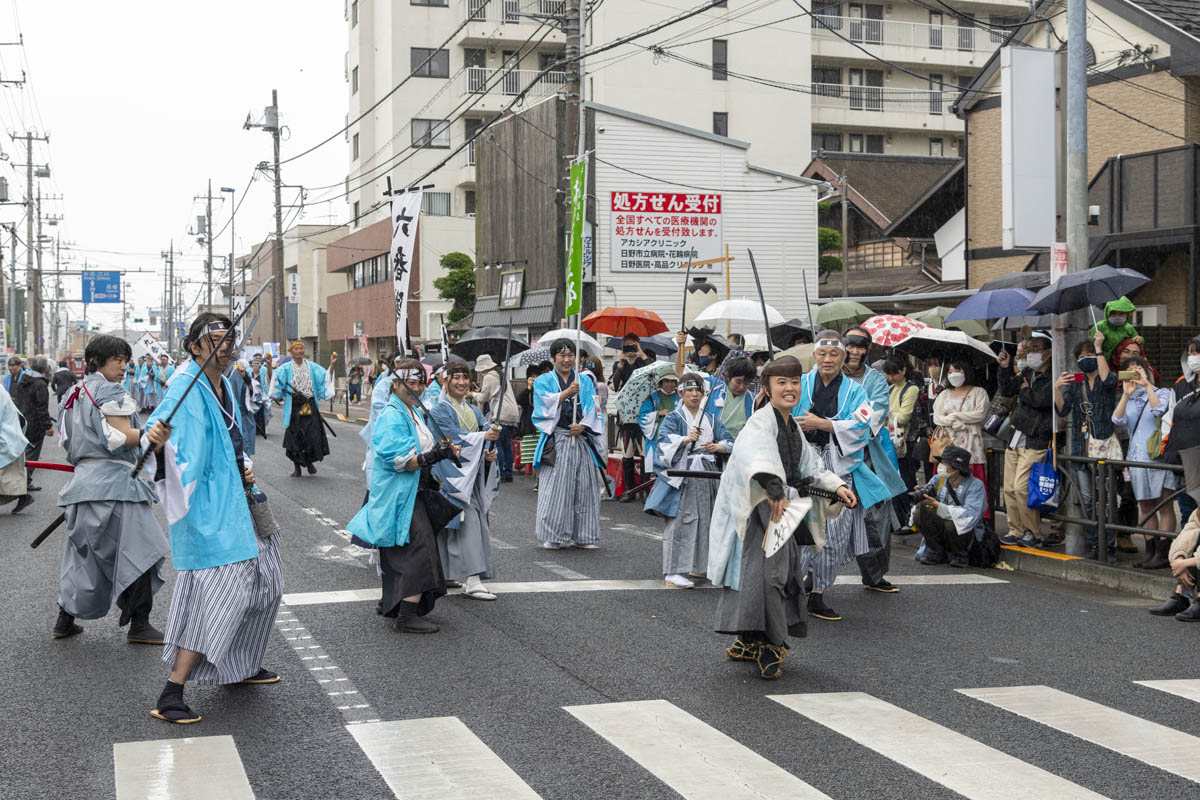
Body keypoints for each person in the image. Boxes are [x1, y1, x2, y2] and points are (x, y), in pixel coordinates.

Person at [146, 313, 283, 724]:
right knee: (219, 597)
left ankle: (238, 664)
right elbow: (164, 426)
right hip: (205, 506)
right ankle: (172, 691)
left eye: (229, 339)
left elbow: (231, 435)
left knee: (266, 581)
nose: (226, 346)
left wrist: (241, 462)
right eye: (216, 340)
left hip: (235, 496)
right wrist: (155, 442)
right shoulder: (186, 386)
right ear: (194, 346)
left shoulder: (228, 380)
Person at [709, 355, 856, 679]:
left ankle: (751, 637)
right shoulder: (760, 422)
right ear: (767, 387)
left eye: (794, 382)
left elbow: (810, 467)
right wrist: (774, 486)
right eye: (781, 382)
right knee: (765, 576)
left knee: (771, 575)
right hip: (762, 506)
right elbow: (754, 455)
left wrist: (837, 486)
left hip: (780, 508)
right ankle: (771, 643)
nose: (789, 388)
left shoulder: (791, 426)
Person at [53, 335, 170, 644]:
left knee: (83, 558)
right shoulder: (110, 390)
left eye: (125, 359)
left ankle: (64, 619)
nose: (123, 365)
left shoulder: (74, 394)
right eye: (116, 359)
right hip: (116, 486)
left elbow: (65, 442)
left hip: (82, 486)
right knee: (143, 551)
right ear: (96, 362)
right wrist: (150, 433)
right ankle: (140, 624)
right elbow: (118, 437)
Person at [346, 359, 458, 633]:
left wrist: (442, 451)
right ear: (395, 383)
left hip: (415, 491)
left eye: (421, 382)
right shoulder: (392, 415)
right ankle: (406, 615)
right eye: (411, 383)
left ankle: (392, 603)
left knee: (406, 548)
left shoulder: (413, 411)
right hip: (399, 493)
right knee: (419, 550)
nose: (417, 388)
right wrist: (435, 455)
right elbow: (400, 460)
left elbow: (421, 448)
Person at [794, 331, 897, 621]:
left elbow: (862, 426)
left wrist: (824, 424)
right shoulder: (800, 384)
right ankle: (794, 586)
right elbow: (782, 415)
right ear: (815, 356)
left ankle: (818, 593)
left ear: (844, 357)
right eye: (822, 354)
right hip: (804, 463)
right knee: (800, 528)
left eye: (834, 354)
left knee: (834, 532)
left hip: (838, 465)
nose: (828, 360)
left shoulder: (856, 391)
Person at [644, 373, 734, 588]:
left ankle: (700, 565)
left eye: (698, 391)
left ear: (704, 394)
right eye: (689, 391)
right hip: (684, 475)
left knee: (707, 518)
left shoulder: (711, 418)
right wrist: (685, 440)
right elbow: (664, 444)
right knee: (683, 521)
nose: (694, 394)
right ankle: (674, 570)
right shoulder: (674, 418)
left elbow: (730, 441)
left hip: (707, 474)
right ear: (680, 393)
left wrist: (718, 446)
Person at [839, 325, 907, 595]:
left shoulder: (875, 380)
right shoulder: (825, 375)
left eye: (861, 346)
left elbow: (876, 412)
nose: (854, 351)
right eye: (850, 344)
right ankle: (814, 578)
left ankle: (875, 575)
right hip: (829, 454)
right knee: (826, 518)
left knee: (875, 518)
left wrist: (843, 427)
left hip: (865, 455)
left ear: (868, 350)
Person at [429, 360, 501, 600]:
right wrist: (483, 436)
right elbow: (452, 437)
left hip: (470, 473)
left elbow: (483, 429)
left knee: (460, 524)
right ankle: (472, 578)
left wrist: (489, 446)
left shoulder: (471, 407)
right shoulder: (439, 410)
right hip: (451, 474)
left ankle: (449, 573)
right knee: (466, 523)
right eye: (455, 378)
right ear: (444, 381)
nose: (461, 383)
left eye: (465, 378)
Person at [532, 338, 605, 550]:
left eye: (570, 355)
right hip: (558, 439)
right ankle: (554, 535)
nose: (566, 359)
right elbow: (542, 407)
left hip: (580, 439)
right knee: (556, 489)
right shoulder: (543, 381)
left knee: (585, 488)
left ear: (576, 357)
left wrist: (583, 426)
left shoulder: (585, 380)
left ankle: (584, 535)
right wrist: (566, 393)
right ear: (553, 358)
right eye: (562, 355)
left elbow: (595, 408)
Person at [1054, 332, 1122, 562]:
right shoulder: (1076, 383)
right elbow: (1063, 410)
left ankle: (1109, 546)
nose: (1085, 358)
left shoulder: (1107, 379)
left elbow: (1109, 380)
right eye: (1081, 355)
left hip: (1103, 446)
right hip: (1081, 448)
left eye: (1089, 354)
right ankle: (1094, 544)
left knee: (1107, 498)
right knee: (1086, 498)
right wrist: (1057, 388)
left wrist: (1099, 347)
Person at [1113, 356, 1175, 570]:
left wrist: (1147, 385)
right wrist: (1126, 393)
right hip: (1137, 458)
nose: (1136, 374)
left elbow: (1160, 410)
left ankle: (1164, 552)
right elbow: (1118, 420)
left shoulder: (1163, 393)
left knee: (1164, 504)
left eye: (1139, 369)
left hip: (1158, 456)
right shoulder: (1128, 399)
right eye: (1131, 371)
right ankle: (1150, 551)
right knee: (1146, 507)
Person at [996, 331, 1054, 548]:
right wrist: (1004, 367)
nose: (1031, 354)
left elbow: (1042, 401)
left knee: (1022, 487)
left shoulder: (1052, 376)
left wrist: (1025, 390)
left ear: (1048, 353)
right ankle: (1016, 529)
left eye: (1036, 349)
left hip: (1036, 438)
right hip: (1016, 435)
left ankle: (1034, 532)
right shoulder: (1027, 373)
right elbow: (1007, 390)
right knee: (1009, 488)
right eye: (1029, 350)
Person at [269, 341, 336, 476]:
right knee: (295, 437)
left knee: (312, 435)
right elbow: (274, 379)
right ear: (291, 352)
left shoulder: (312, 367)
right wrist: (268, 365)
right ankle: (297, 467)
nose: (299, 351)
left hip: (309, 404)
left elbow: (325, 377)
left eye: (301, 349)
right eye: (296, 349)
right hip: (294, 406)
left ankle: (309, 462)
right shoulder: (286, 368)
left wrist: (332, 365)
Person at [1163, 336, 1200, 526]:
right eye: (1191, 353)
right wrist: (1166, 446)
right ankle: (1187, 554)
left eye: (1197, 352)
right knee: (1188, 514)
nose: (1193, 357)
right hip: (1182, 461)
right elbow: (1169, 419)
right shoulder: (1180, 384)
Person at [882, 357, 921, 526]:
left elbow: (905, 416)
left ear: (903, 371)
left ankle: (908, 517)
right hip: (891, 441)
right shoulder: (891, 388)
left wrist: (885, 416)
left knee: (906, 480)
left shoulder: (911, 389)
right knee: (895, 480)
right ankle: (898, 517)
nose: (890, 377)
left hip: (905, 441)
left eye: (893, 373)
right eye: (888, 374)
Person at [471, 353, 520, 483]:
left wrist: (472, 394)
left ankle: (502, 472)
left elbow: (483, 397)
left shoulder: (489, 376)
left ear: (482, 368)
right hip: (512, 413)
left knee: (498, 444)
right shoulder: (500, 374)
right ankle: (508, 472)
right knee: (507, 445)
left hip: (500, 413)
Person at [12, 354, 52, 493]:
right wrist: (47, 426)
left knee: (24, 453)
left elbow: (18, 401)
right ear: (45, 368)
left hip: (22, 421)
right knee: (32, 455)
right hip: (35, 425)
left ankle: (21, 480)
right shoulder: (40, 384)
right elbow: (42, 408)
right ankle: (25, 482)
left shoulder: (24, 379)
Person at [638, 371, 679, 480]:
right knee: (656, 473)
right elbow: (642, 417)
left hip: (676, 438)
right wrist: (658, 413)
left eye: (672, 381)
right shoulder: (652, 398)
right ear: (661, 383)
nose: (670, 384)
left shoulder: (680, 397)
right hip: (657, 439)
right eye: (666, 381)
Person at [0, 379, 30, 513]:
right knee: (9, 477)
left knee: (8, 476)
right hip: (8, 436)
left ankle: (23, 496)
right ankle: (23, 496)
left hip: (8, 438)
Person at [1090, 296, 1142, 361]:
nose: (1117, 317)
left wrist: (1139, 339)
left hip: (1123, 363)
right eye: (1113, 313)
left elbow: (1138, 344)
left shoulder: (1129, 328)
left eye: (1121, 313)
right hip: (1103, 363)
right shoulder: (1100, 327)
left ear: (1127, 314)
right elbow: (1091, 349)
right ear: (1107, 313)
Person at [229, 359, 262, 458]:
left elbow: (254, 391)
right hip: (233, 413)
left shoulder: (246, 376)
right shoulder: (230, 374)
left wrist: (246, 378)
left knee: (245, 441)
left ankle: (245, 463)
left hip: (243, 414)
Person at [252, 353, 272, 438]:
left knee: (265, 412)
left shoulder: (264, 370)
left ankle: (263, 426)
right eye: (256, 358)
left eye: (259, 358)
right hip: (252, 395)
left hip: (263, 395)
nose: (258, 360)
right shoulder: (249, 371)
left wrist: (269, 365)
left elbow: (270, 377)